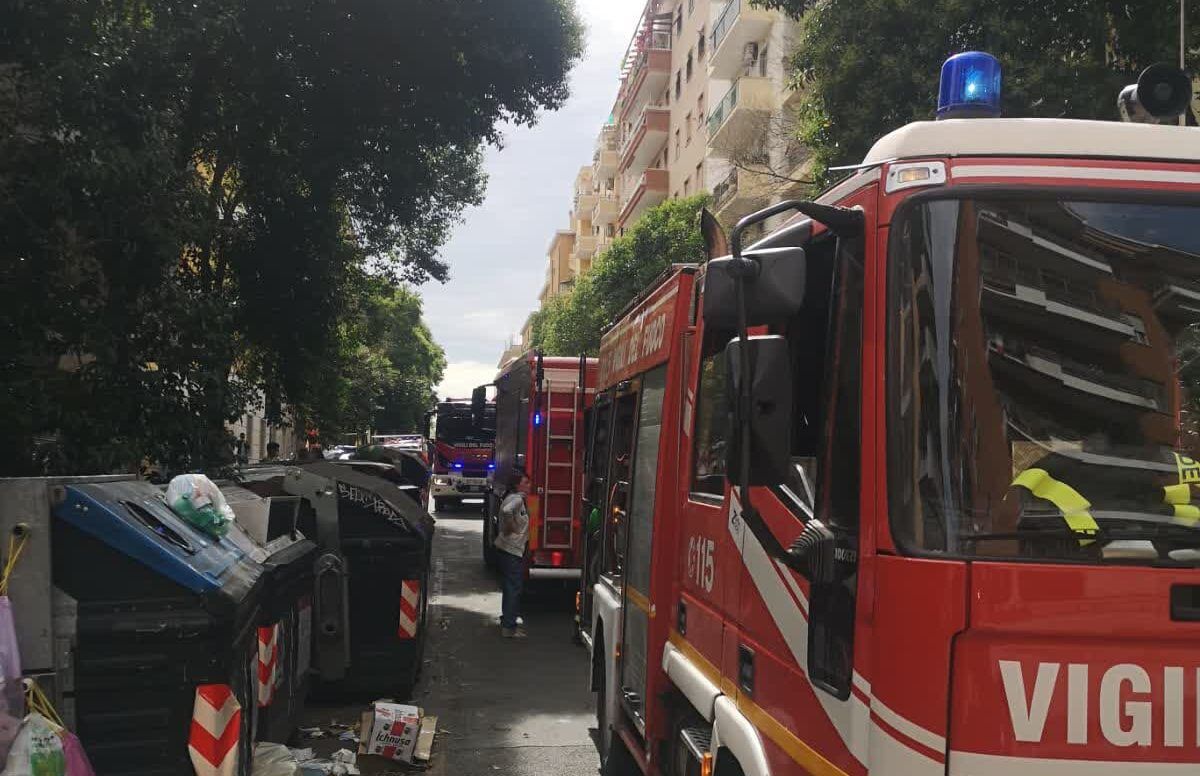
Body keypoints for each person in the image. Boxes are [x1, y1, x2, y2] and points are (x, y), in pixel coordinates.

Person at [495, 471, 531, 639]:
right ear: (517, 485)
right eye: (525, 482)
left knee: (509, 587)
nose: (529, 485)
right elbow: (507, 511)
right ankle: (509, 627)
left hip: (508, 549)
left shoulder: (513, 498)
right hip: (511, 549)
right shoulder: (517, 499)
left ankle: (507, 621)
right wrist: (511, 527)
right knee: (513, 588)